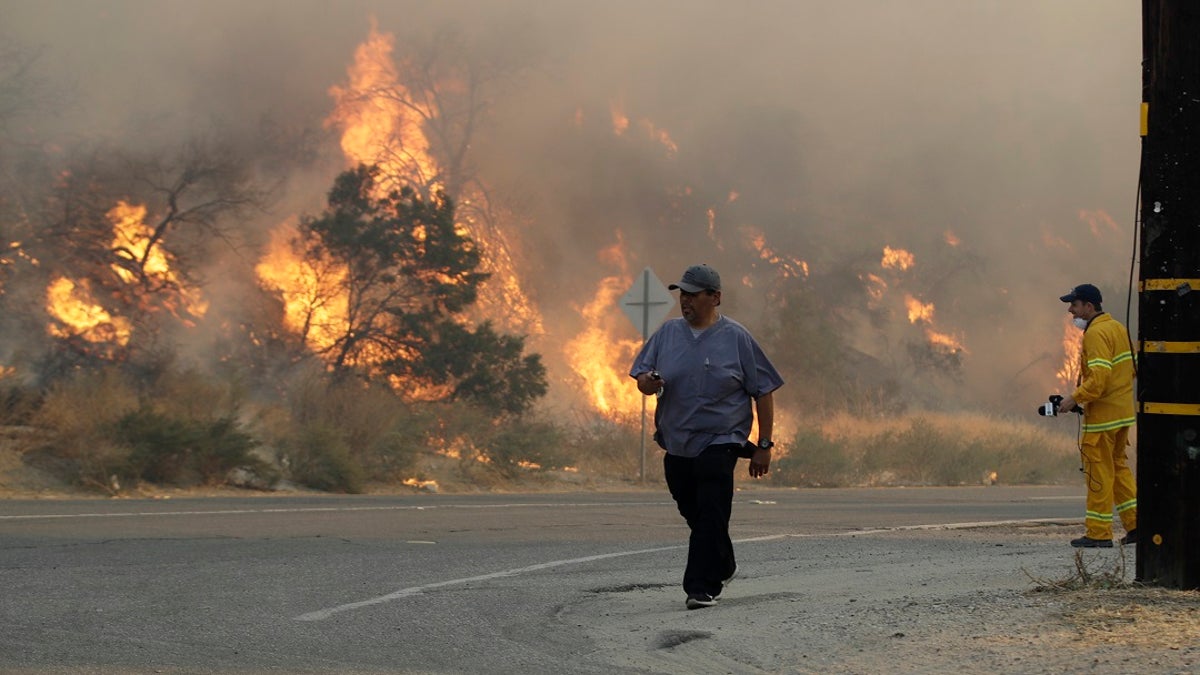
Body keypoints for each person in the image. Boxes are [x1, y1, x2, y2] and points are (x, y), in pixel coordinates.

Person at [629, 263, 784, 609]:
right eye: (682, 294)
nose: (685, 301)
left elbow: (764, 391)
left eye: (693, 294)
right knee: (695, 512)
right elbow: (641, 377)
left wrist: (764, 445)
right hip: (678, 442)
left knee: (712, 510)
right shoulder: (667, 334)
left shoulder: (737, 338)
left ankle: (700, 587)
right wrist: (648, 383)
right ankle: (724, 562)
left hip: (722, 440)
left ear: (714, 298)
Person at [1057, 283, 1137, 548]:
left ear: (1089, 306)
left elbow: (1099, 379)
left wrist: (1074, 398)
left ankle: (1099, 533)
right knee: (1118, 469)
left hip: (1103, 419)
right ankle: (1137, 525)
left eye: (1075, 305)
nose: (1071, 310)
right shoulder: (1117, 329)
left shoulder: (1096, 334)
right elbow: (1129, 372)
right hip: (1122, 413)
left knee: (1098, 473)